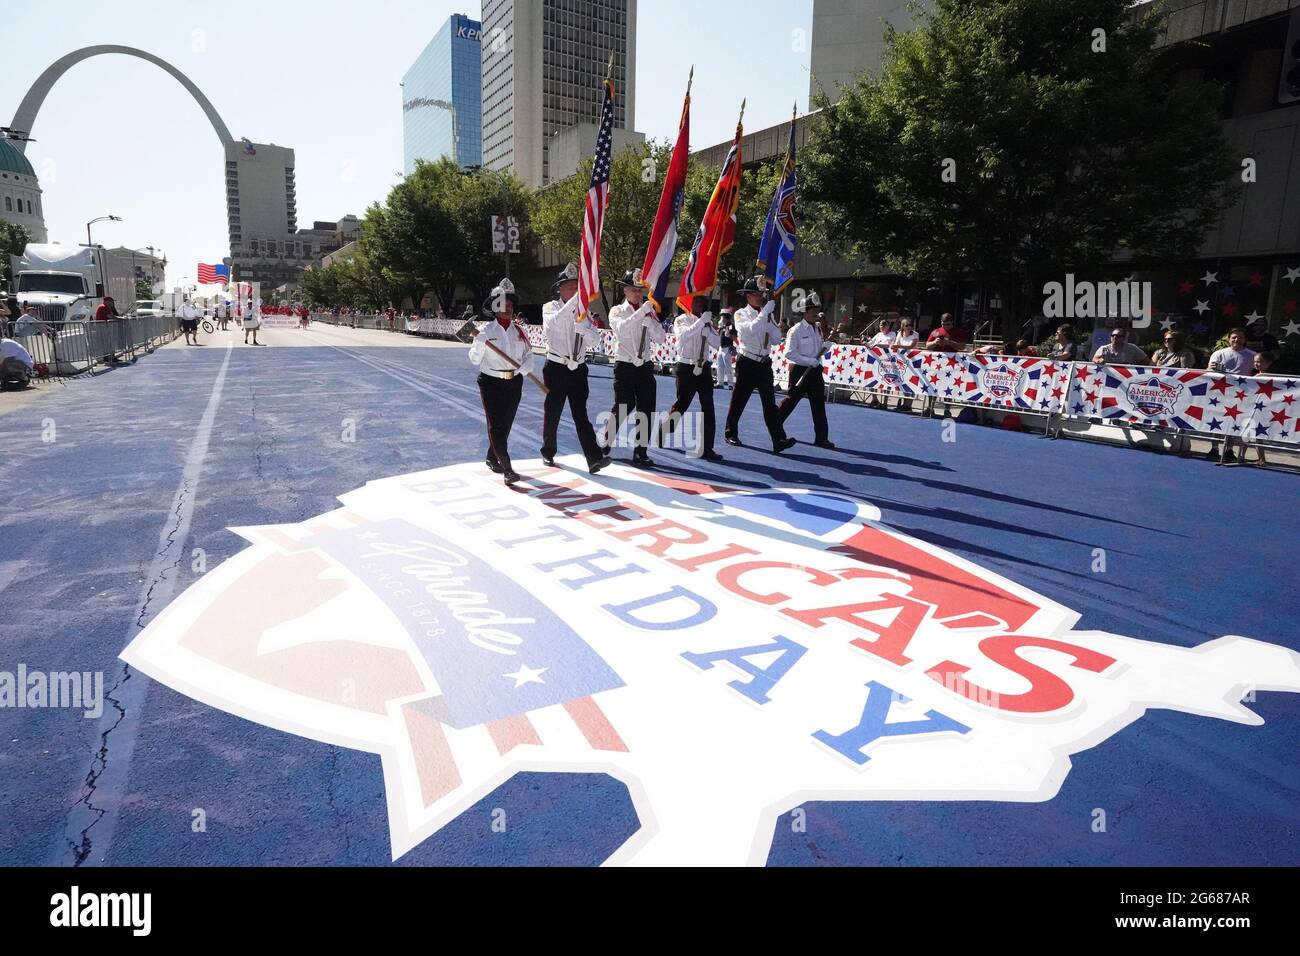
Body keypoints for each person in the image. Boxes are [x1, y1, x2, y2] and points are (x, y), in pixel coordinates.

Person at [539, 263, 611, 474]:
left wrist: (585, 330)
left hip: (578, 369)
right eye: (569, 287)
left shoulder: (584, 312)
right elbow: (553, 323)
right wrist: (574, 304)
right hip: (557, 367)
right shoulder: (550, 307)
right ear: (559, 289)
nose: (573, 290)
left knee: (581, 414)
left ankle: (594, 458)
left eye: (575, 287)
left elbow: (595, 340)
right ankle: (548, 451)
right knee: (553, 412)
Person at [469, 279, 535, 484]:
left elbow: (529, 356)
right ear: (494, 307)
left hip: (514, 383)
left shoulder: (520, 332)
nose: (507, 307)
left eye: (510, 303)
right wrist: (480, 345)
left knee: (506, 425)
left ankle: (492, 457)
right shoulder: (484, 332)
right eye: (502, 303)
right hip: (491, 383)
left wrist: (523, 370)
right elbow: (474, 359)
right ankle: (507, 468)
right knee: (496, 426)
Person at [724, 276, 796, 453]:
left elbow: (777, 339)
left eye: (761, 294)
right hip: (747, 361)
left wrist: (771, 322)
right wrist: (765, 315)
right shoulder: (741, 314)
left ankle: (778, 439)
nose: (760, 297)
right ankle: (730, 432)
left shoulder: (767, 313)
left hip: (764, 363)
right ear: (748, 296)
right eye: (756, 294)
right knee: (739, 399)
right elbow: (748, 331)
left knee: (770, 404)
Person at [605, 269, 663, 467]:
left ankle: (641, 451)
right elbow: (622, 330)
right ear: (625, 291)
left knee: (647, 408)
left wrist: (651, 322)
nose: (638, 294)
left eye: (640, 290)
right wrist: (641, 314)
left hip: (645, 366)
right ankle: (606, 439)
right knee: (623, 406)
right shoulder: (617, 311)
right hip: (625, 365)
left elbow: (661, 338)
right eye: (634, 290)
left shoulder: (648, 310)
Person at [662, 294, 725, 462]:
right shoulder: (681, 320)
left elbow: (717, 344)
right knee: (682, 403)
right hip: (686, 367)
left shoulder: (707, 323)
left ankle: (707, 447)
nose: (698, 305)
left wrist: (707, 330)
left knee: (708, 407)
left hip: (703, 367)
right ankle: (663, 431)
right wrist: (699, 324)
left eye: (701, 303)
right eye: (696, 302)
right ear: (689, 303)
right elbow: (683, 337)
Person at [778, 299, 835, 449]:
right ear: (804, 312)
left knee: (818, 405)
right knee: (790, 402)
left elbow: (817, 350)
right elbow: (789, 353)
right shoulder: (796, 330)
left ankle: (822, 438)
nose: (815, 313)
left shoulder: (817, 328)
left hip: (815, 371)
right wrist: (808, 361)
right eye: (811, 310)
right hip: (800, 370)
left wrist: (826, 347)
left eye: (816, 310)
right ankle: (774, 426)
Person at [715, 307, 736, 388]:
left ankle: (730, 383)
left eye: (722, 317)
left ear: (726, 317)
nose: (721, 318)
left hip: (727, 348)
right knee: (719, 366)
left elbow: (734, 337)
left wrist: (729, 335)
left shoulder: (730, 326)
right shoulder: (721, 326)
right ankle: (720, 382)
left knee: (728, 366)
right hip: (721, 348)